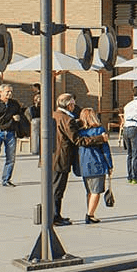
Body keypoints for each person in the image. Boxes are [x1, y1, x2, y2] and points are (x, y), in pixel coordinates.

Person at [73, 105, 112, 224]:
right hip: (97, 163)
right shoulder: (99, 130)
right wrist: (110, 164)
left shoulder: (79, 132)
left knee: (89, 191)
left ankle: (89, 210)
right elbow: (105, 149)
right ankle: (90, 214)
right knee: (96, 191)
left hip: (83, 164)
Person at [48, 92, 79, 225]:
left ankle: (55, 214)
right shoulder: (67, 119)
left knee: (54, 187)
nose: (74, 106)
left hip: (52, 156)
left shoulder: (54, 115)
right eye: (73, 104)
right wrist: (98, 138)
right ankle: (55, 216)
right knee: (58, 188)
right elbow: (76, 139)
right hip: (61, 158)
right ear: (68, 105)